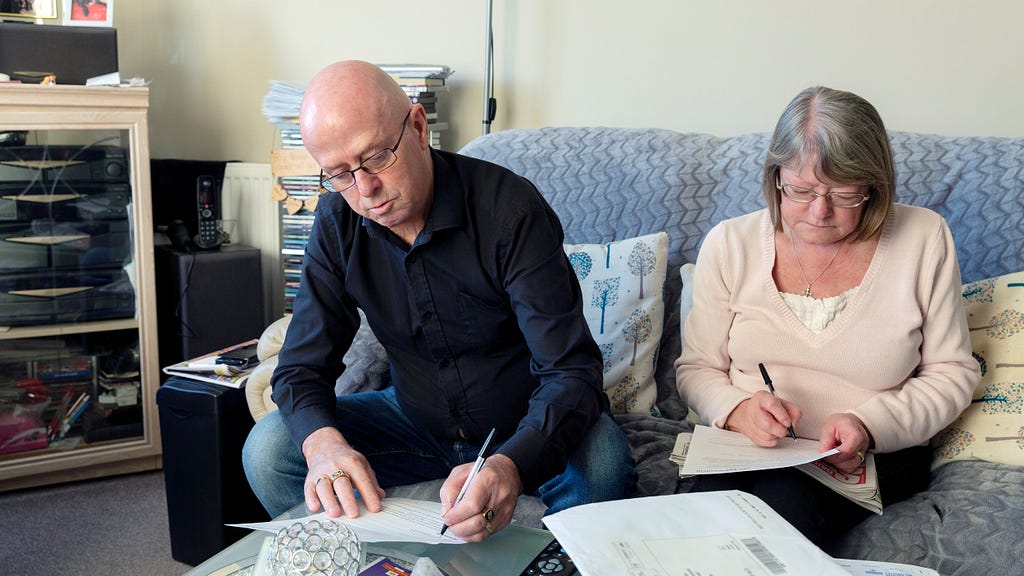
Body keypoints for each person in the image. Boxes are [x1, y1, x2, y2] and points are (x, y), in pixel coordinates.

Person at [242, 60, 634, 541]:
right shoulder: (336, 222)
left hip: (520, 427)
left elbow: (572, 372)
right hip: (413, 421)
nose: (366, 191)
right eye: (340, 174)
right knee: (269, 448)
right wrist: (323, 447)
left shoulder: (509, 210)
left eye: (377, 157)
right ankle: (364, 560)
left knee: (603, 459)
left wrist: (510, 464)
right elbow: (302, 367)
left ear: (419, 127)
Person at [674, 86, 979, 548]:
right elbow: (696, 368)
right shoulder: (729, 243)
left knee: (779, 513)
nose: (819, 211)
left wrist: (869, 423)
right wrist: (736, 410)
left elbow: (953, 372)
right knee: (690, 523)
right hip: (749, 450)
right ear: (775, 177)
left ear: (875, 185)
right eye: (800, 190)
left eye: (844, 194)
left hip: (871, 453)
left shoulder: (924, 238)